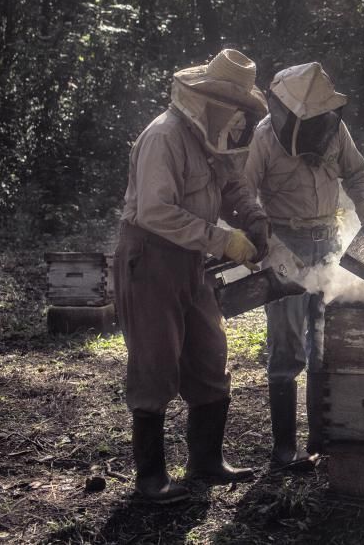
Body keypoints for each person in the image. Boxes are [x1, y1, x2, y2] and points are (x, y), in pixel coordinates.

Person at [113, 49, 270, 503]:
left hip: (190, 260)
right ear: (206, 98)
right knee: (156, 361)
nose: (236, 115)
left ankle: (205, 461)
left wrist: (254, 217)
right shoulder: (164, 136)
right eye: (231, 103)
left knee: (209, 350)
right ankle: (150, 478)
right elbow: (156, 211)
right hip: (151, 257)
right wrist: (224, 241)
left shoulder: (210, 139)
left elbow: (232, 185)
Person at [245, 62, 364, 469]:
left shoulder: (335, 130)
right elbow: (245, 197)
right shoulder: (265, 136)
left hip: (327, 242)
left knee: (326, 344)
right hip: (283, 243)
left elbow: (356, 172)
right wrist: (267, 245)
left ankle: (323, 438)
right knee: (287, 349)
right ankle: (284, 449)